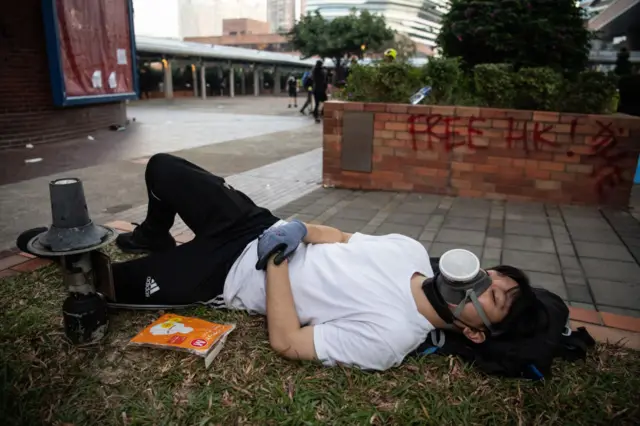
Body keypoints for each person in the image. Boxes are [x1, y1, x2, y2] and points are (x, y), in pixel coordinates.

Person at [18, 154, 538, 371]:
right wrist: (298, 231)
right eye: (490, 275)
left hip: (226, 274)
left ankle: (88, 253)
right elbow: (336, 234)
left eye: (490, 296)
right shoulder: (406, 248)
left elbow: (288, 343)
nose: (478, 281)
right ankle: (154, 234)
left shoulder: (392, 338)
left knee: (107, 288)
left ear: (475, 332)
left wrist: (277, 263)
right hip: (254, 224)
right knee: (162, 168)